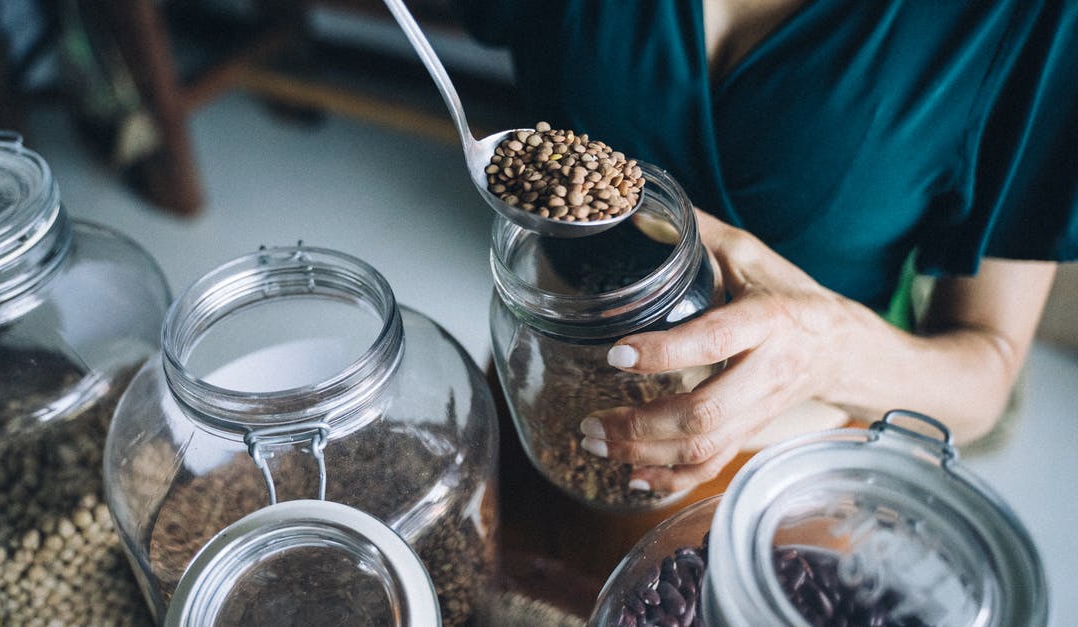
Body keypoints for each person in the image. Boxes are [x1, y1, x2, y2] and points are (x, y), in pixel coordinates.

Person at [457, 0, 1078, 495]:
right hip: (562, 369)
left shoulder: (1031, 17)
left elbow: (982, 383)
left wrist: (823, 353)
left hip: (802, 451)